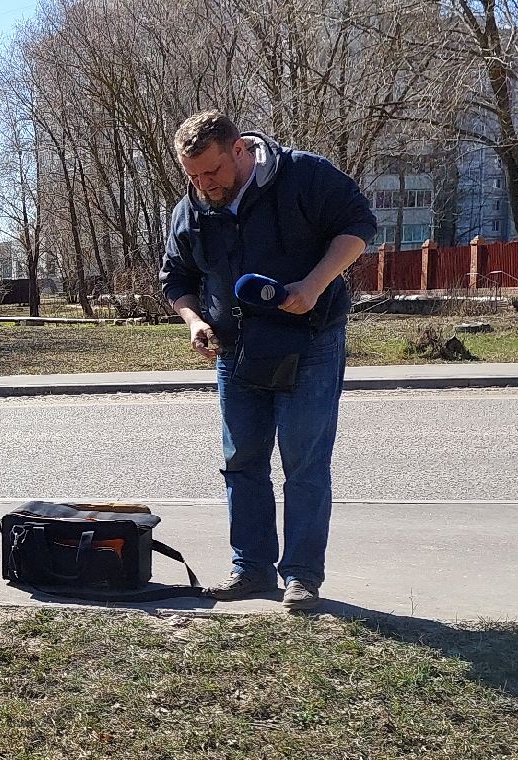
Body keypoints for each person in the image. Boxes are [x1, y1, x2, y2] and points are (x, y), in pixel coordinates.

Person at [158, 111, 376, 611]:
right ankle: (252, 569)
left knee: (304, 462)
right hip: (234, 350)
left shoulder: (301, 174)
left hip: (309, 342)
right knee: (241, 462)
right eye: (192, 175)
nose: (203, 184)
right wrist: (194, 320)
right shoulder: (191, 209)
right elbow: (176, 277)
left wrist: (314, 285)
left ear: (238, 149)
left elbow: (359, 225)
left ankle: (301, 576)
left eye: (211, 171)